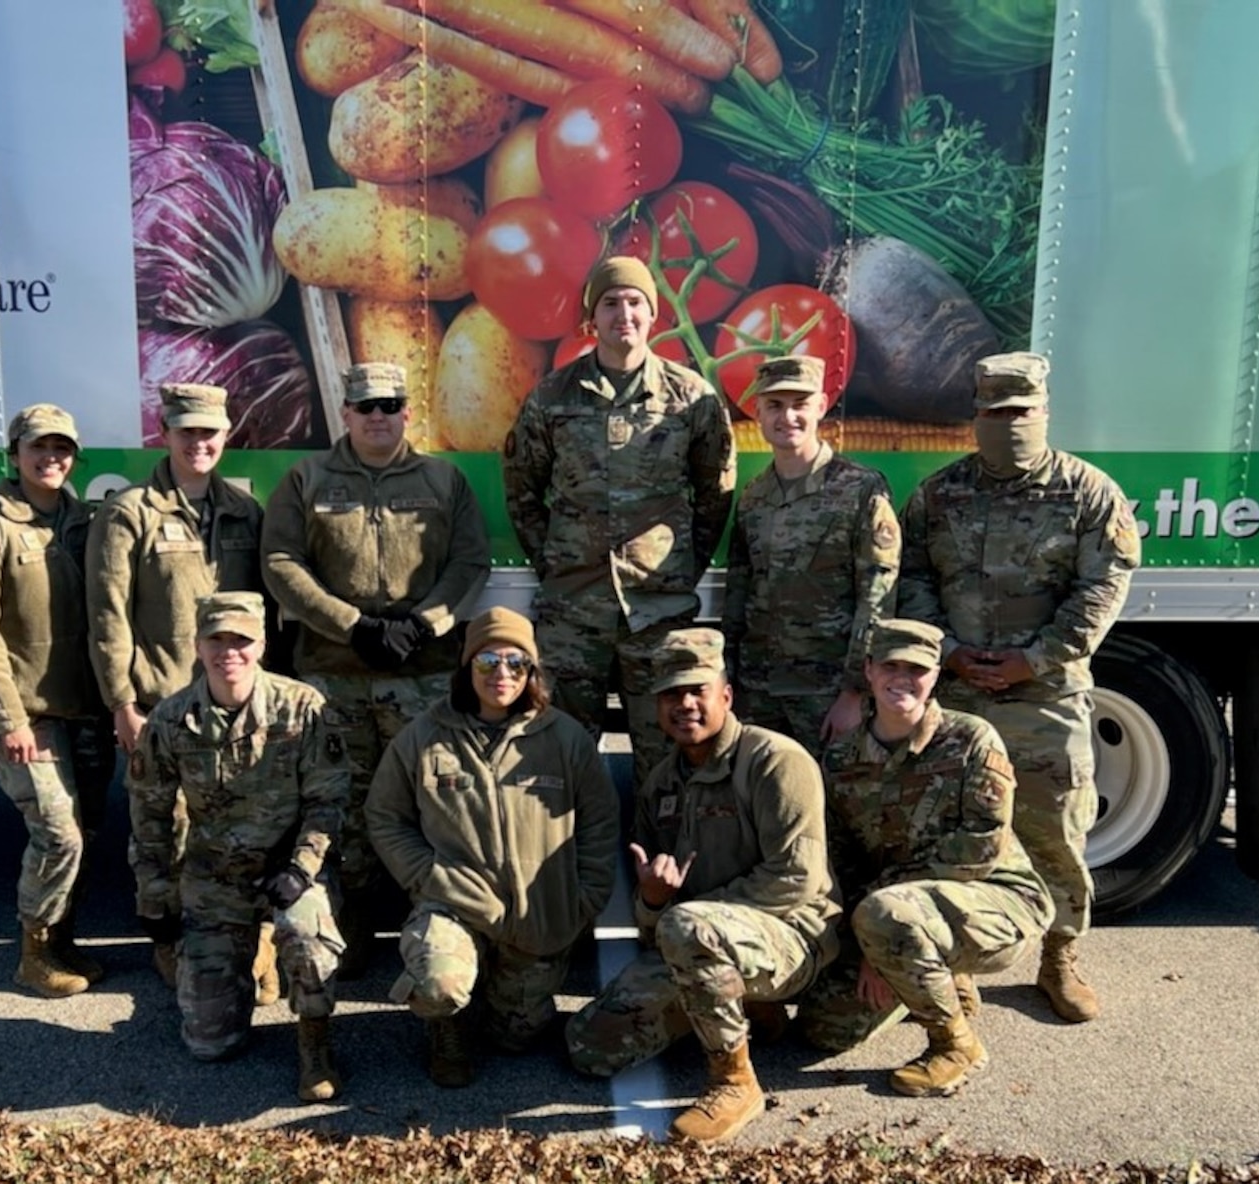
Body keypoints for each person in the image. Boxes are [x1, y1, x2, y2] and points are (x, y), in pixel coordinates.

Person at [897, 351, 1139, 1023]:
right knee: (952, 829)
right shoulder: (939, 495)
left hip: (1044, 696)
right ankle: (959, 957)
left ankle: (1060, 954)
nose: (1008, 425)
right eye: (994, 413)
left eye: (1020, 413)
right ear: (975, 417)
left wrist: (1033, 660)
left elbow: (1102, 588)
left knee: (1054, 825)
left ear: (1044, 412)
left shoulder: (1087, 494)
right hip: (957, 692)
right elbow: (911, 579)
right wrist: (946, 651)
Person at [566, 628, 839, 1144]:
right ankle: (750, 1006)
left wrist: (686, 916)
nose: (685, 704)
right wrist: (653, 899)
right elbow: (652, 920)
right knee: (590, 1048)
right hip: (697, 940)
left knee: (690, 926)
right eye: (671, 693)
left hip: (793, 934)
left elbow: (797, 878)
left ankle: (734, 1080)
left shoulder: (774, 761)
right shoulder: (660, 785)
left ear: (726, 696)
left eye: (698, 691)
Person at [262, 361, 491, 976]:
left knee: (433, 803)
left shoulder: (444, 480)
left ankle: (434, 930)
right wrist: (353, 626)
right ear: (346, 413)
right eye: (366, 407)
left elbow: (471, 561)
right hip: (335, 674)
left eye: (390, 405)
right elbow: (280, 563)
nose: (378, 417)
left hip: (423, 673)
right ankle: (352, 926)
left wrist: (424, 623)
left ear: (407, 411)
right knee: (344, 806)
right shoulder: (307, 479)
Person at [502, 256, 736, 788]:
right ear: (592, 319)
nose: (622, 314)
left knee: (667, 761)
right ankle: (563, 867)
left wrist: (678, 568)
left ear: (652, 315)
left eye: (634, 302)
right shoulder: (551, 399)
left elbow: (714, 494)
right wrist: (556, 562)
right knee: (556, 760)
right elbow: (521, 488)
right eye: (610, 303)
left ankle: (660, 863)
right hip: (571, 614)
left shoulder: (691, 398)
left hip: (657, 613)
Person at [794, 619, 1052, 1096]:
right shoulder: (841, 759)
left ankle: (954, 1044)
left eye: (917, 668)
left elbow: (981, 847)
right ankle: (931, 975)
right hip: (893, 912)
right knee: (823, 1029)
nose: (903, 678)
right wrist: (868, 936)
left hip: (995, 899)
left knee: (885, 916)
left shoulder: (972, 739)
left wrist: (880, 925)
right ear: (869, 671)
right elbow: (841, 859)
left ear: (936, 675)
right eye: (891, 665)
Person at [364, 606, 618, 1087]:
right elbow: (385, 816)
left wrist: (584, 900)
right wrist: (428, 877)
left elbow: (600, 824)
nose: (502, 673)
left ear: (532, 671)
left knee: (515, 1037)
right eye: (487, 662)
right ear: (467, 668)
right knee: (440, 986)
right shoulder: (424, 737)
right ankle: (447, 1023)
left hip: (537, 917)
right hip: (454, 904)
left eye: (516, 663)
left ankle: (492, 994)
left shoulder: (564, 738)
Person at [130, 591, 348, 1102]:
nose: (230, 651)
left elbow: (330, 801)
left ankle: (314, 1046)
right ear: (198, 645)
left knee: (311, 945)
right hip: (216, 879)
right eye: (217, 640)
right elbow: (151, 817)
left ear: (262, 645)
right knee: (211, 1044)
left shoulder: (302, 708)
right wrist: (155, 895)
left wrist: (302, 867)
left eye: (242, 640)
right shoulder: (170, 719)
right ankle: (248, 959)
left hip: (288, 871)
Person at [88, 382, 269, 993]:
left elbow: (264, 616)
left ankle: (241, 944)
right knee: (161, 831)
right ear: (163, 434)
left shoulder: (246, 512)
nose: (199, 443)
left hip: (233, 705)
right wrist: (122, 704)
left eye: (209, 432)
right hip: (163, 706)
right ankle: (169, 942)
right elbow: (108, 616)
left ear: (226, 437)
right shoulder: (128, 514)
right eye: (186, 431)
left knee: (238, 829)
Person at [0, 403, 111, 998]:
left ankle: (64, 942)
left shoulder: (84, 521)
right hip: (30, 718)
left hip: (84, 708)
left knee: (86, 831)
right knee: (58, 834)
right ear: (14, 455)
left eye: (62, 449)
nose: (51, 458)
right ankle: (35, 952)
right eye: (39, 447)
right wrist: (6, 718)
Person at [723, 355, 899, 757]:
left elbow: (877, 598)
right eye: (775, 405)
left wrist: (855, 692)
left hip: (826, 693)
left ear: (820, 407)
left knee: (832, 808)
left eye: (800, 404)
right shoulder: (753, 498)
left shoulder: (860, 490)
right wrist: (729, 681)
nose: (788, 417)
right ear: (758, 413)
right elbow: (737, 597)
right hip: (759, 691)